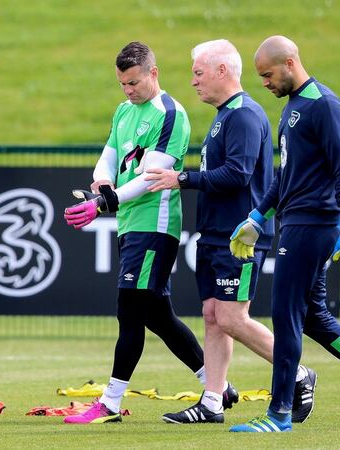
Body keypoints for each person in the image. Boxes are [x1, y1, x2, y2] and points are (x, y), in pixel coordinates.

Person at [228, 35, 340, 433]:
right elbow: (286, 176)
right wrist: (257, 217)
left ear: (290, 63)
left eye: (268, 74)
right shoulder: (292, 107)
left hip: (313, 225)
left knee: (285, 314)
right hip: (296, 222)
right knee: (312, 317)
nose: (265, 83)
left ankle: (278, 414)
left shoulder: (324, 105)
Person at [62, 41, 236, 424]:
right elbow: (109, 153)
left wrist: (103, 204)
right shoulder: (124, 111)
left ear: (153, 73)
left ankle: (109, 403)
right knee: (158, 315)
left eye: (134, 83)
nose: (128, 91)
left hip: (154, 227)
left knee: (129, 310)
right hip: (130, 224)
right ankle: (218, 386)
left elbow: (150, 178)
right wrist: (102, 181)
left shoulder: (170, 114)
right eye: (122, 84)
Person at [145, 39, 316, 425]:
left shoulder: (244, 115)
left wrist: (181, 178)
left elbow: (238, 174)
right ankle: (211, 402)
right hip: (214, 235)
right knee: (211, 315)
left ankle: (299, 372)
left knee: (232, 318)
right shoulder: (226, 115)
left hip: (238, 239)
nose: (193, 81)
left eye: (199, 73)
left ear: (223, 71)